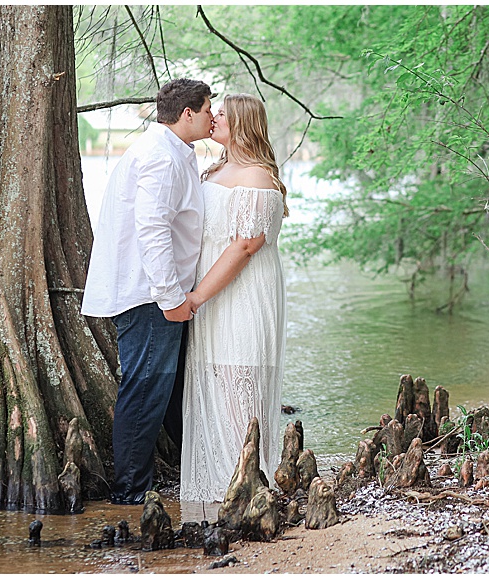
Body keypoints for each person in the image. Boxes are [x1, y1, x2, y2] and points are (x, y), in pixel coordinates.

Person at [81, 78, 215, 505]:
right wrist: (171, 296)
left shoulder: (174, 151)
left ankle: (197, 470)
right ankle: (131, 491)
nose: (213, 115)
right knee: (145, 387)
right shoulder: (159, 156)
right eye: (208, 108)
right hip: (150, 294)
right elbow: (152, 229)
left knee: (169, 386)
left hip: (158, 290)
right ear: (188, 113)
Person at [179, 94, 289, 503]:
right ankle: (220, 482)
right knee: (214, 380)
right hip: (211, 293)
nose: (213, 117)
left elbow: (245, 247)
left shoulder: (258, 177)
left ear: (242, 124)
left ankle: (249, 482)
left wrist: (195, 297)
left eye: (221, 113)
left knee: (240, 381)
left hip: (242, 294)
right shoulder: (214, 170)